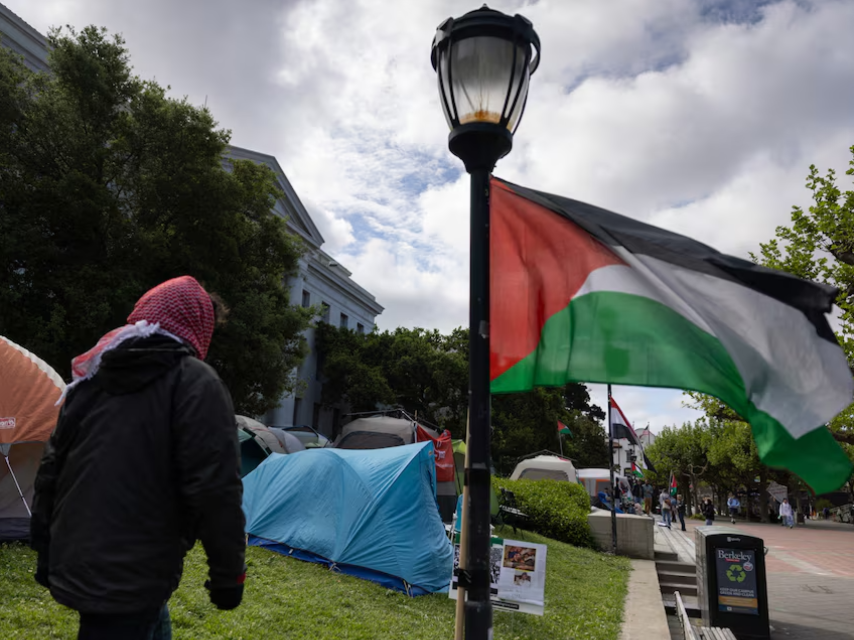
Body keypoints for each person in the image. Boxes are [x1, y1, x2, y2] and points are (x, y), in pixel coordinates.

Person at [30, 276, 246, 640]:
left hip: (82, 557)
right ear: (197, 326)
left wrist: (44, 547)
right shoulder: (193, 381)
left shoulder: (92, 378)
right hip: (135, 572)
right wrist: (229, 575)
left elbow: (51, 469)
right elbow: (215, 487)